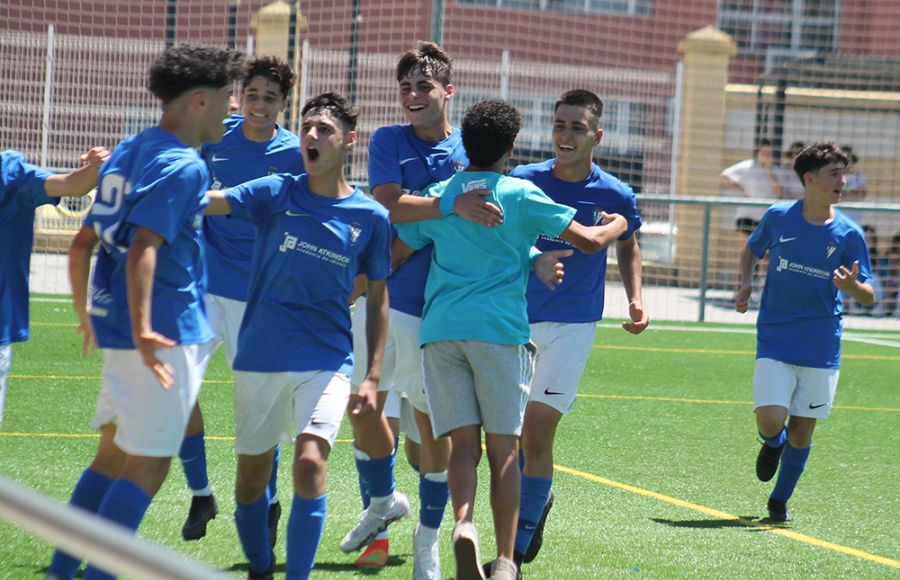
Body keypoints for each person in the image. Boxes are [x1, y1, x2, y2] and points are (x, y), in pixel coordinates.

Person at [393, 99, 628, 580]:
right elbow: (585, 241)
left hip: (441, 332)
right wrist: (617, 226)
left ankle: (462, 525)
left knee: (462, 446)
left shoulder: (443, 194)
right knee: (504, 451)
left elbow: (397, 251)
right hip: (499, 333)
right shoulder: (519, 194)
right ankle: (503, 559)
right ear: (511, 147)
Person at [47, 44, 243, 580]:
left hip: (123, 330)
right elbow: (143, 248)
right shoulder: (183, 166)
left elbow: (83, 242)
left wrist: (89, 314)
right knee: (149, 466)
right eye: (229, 98)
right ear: (200, 101)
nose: (235, 108)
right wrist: (143, 331)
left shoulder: (131, 149)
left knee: (111, 456)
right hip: (162, 335)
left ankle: (63, 569)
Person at [204, 92, 392, 579]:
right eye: (307, 127)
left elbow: (379, 297)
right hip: (261, 355)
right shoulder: (275, 191)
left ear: (349, 140)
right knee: (250, 485)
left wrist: (371, 376)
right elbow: (211, 202)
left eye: (325, 129)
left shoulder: (371, 216)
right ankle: (261, 566)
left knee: (309, 464)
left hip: (327, 358)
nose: (312, 135)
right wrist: (147, 185)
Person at [340, 41, 501, 576]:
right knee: (363, 411)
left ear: (448, 92)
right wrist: (449, 206)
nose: (413, 95)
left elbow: (491, 213)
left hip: (442, 312)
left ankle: (429, 542)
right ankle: (381, 512)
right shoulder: (389, 140)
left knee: (432, 437)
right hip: (385, 300)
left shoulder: (470, 150)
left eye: (424, 86)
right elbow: (388, 200)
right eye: (405, 87)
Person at [500, 89, 648, 571]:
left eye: (577, 128)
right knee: (507, 436)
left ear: (596, 136)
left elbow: (627, 245)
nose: (565, 135)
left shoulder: (615, 194)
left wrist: (636, 298)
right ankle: (533, 505)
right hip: (511, 318)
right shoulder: (522, 180)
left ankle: (516, 554)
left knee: (537, 433)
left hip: (574, 325)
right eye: (560, 125)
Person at [178, 54, 304, 545]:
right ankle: (200, 493)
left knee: (259, 413)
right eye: (252, 95)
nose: (259, 104)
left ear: (283, 105)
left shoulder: (296, 153)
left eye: (270, 97)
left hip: (261, 298)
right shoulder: (215, 138)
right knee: (179, 392)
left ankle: (269, 503)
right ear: (240, 97)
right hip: (205, 288)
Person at [735, 142, 874, 523]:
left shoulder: (849, 233)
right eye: (834, 174)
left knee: (802, 432)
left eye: (843, 174)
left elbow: (868, 294)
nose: (842, 181)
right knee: (770, 419)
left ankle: (778, 501)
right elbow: (751, 249)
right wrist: (745, 283)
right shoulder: (779, 217)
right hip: (776, 335)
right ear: (809, 179)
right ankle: (770, 442)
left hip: (821, 345)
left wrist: (852, 288)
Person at [0, 147, 108, 425]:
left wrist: (96, 167)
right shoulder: (9, 173)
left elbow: (72, 185)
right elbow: (72, 185)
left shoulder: (10, 174)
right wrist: (96, 168)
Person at [721, 139, 784, 237]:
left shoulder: (776, 170)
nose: (766, 156)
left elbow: (779, 192)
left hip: (765, 217)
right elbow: (724, 176)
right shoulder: (747, 166)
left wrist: (769, 172)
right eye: (764, 153)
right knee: (746, 246)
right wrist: (741, 189)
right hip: (747, 215)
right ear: (758, 153)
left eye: (769, 153)